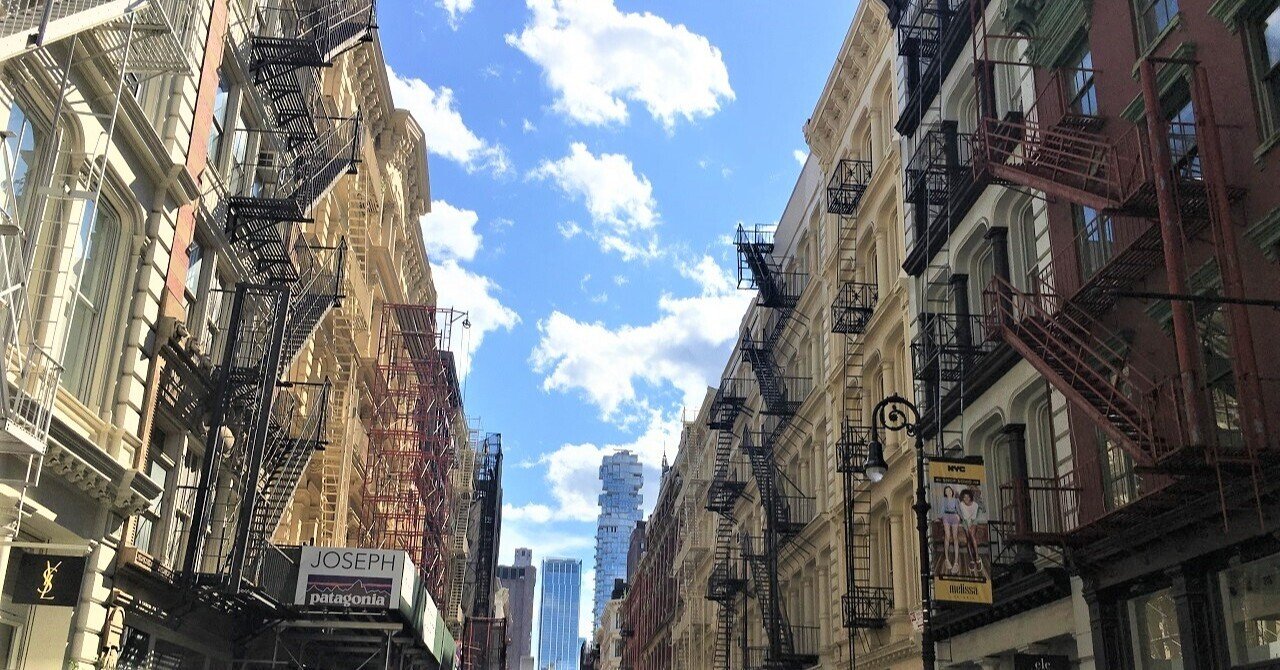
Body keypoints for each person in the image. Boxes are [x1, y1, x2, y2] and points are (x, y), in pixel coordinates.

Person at [958, 489, 987, 578]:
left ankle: (977, 558)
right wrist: (967, 527)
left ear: (970, 497)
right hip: (965, 521)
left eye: (968, 497)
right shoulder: (961, 504)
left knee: (972, 535)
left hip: (973, 521)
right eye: (964, 497)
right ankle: (972, 559)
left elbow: (976, 515)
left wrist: (971, 526)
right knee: (968, 538)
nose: (966, 499)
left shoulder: (975, 504)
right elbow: (964, 517)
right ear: (962, 498)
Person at [939, 485, 961, 574]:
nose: (949, 492)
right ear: (945, 493)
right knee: (947, 536)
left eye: (950, 490)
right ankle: (947, 559)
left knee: (955, 537)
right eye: (947, 491)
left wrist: (959, 516)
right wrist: (940, 517)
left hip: (954, 517)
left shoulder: (955, 500)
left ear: (952, 491)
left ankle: (956, 562)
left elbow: (958, 510)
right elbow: (942, 510)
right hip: (946, 517)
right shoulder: (944, 500)